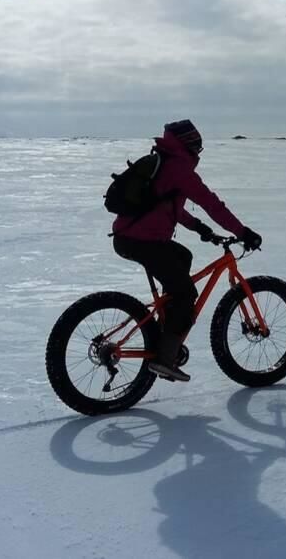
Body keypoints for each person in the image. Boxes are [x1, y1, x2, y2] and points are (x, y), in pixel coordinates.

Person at [112, 119, 262, 382]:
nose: (198, 152)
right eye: (197, 147)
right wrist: (243, 232)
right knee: (185, 294)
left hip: (130, 237)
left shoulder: (164, 160)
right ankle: (165, 358)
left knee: (183, 256)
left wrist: (198, 227)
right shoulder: (179, 168)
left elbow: (166, 206)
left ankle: (166, 326)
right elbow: (212, 204)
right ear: (189, 145)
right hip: (143, 241)